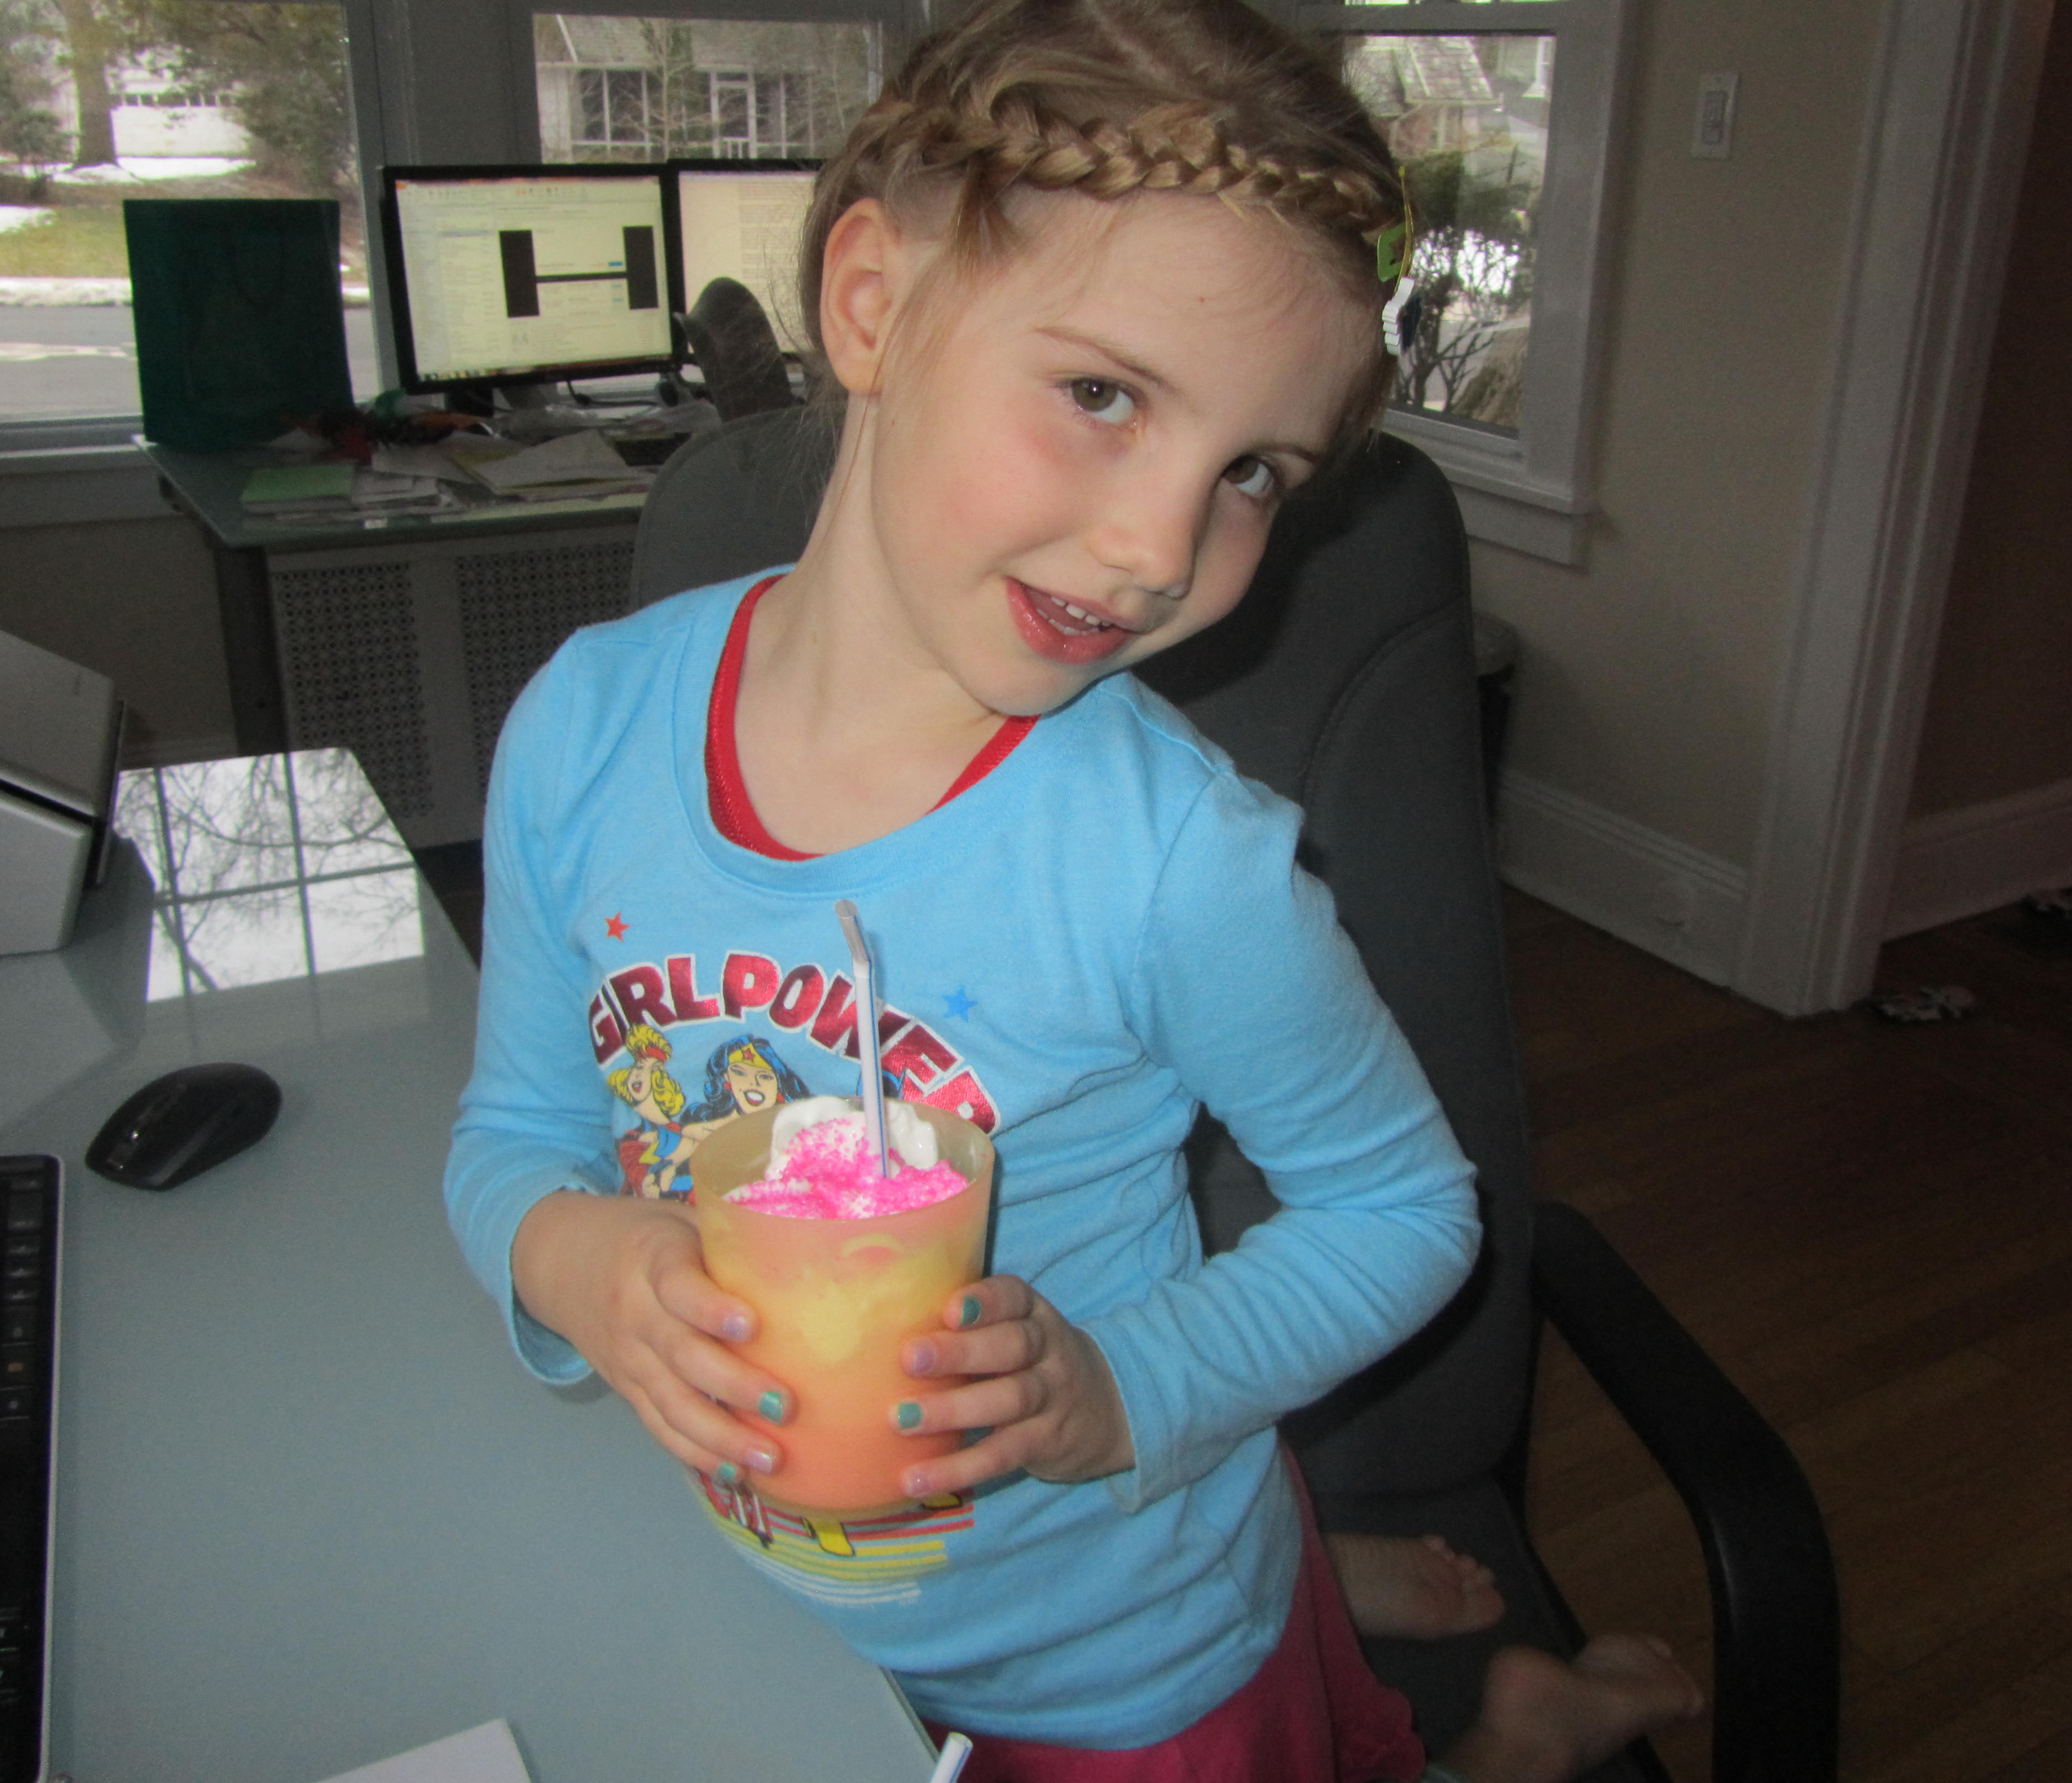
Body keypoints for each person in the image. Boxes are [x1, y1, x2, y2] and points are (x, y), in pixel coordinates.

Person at [443, 1, 1701, 1777]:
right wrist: (579, 1261)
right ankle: (1324, 1576)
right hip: (761, 1623)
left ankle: (1509, 1730)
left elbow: (1408, 1210)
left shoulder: (1178, 865)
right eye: (1104, 395)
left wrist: (1128, 1395)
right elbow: (515, 1132)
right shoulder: (585, 733)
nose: (1160, 550)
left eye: (1251, 474)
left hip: (1118, 1664)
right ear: (872, 303)